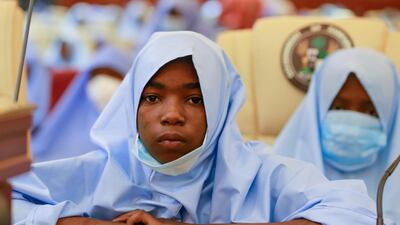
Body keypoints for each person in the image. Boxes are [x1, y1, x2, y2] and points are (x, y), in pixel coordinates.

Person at [12, 32, 380, 225]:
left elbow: (355, 212)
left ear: (220, 109)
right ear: (131, 107)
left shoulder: (257, 175)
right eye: (153, 98)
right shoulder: (98, 173)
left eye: (195, 99)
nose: (171, 115)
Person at [273, 48, 400, 223]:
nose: (354, 127)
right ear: (317, 108)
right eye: (338, 108)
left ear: (392, 115)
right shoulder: (274, 176)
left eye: (371, 111)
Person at [31, 45, 132, 162]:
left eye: (112, 75)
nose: (103, 83)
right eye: (98, 75)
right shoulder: (69, 124)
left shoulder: (134, 129)